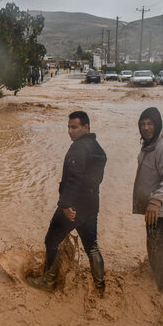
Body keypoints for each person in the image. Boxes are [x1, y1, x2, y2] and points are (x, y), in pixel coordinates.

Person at [27, 111, 107, 292]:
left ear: (86, 127)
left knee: (52, 241)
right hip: (91, 205)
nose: (70, 131)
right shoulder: (98, 149)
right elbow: (95, 180)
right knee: (92, 247)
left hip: (73, 208)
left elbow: (73, 179)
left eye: (74, 127)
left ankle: (48, 281)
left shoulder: (78, 148)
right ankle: (100, 286)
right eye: (68, 127)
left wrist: (65, 205)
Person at [133, 107, 163, 292]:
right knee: (153, 247)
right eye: (143, 124)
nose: (146, 128)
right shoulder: (149, 142)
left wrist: (156, 201)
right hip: (153, 209)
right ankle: (157, 281)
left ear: (158, 124)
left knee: (160, 250)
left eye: (150, 124)